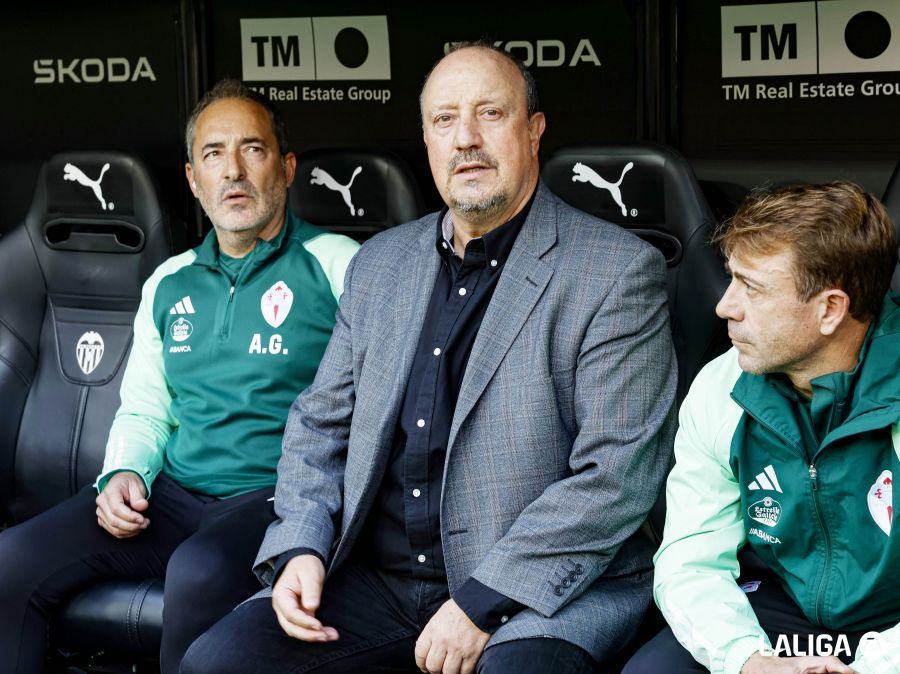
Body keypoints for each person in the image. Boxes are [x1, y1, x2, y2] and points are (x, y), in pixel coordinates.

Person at [182, 42, 676, 674]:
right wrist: (301, 544)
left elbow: (616, 476)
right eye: (445, 120)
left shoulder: (614, 270)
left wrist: (479, 602)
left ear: (534, 130)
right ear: (426, 140)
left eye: (489, 115)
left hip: (538, 593)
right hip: (379, 577)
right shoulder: (381, 264)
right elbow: (318, 426)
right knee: (217, 662)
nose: (465, 138)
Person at [0, 79, 359, 673]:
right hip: (174, 498)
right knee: (11, 560)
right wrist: (122, 474)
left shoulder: (338, 264)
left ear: (287, 167)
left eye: (253, 149)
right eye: (214, 154)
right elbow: (145, 409)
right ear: (193, 180)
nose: (234, 172)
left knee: (197, 572)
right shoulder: (168, 281)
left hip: (273, 499)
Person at [624, 182, 900, 674]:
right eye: (733, 279)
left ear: (830, 309)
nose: (725, 306)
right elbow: (691, 557)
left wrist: (871, 668)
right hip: (779, 610)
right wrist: (747, 659)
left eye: (752, 288)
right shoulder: (723, 385)